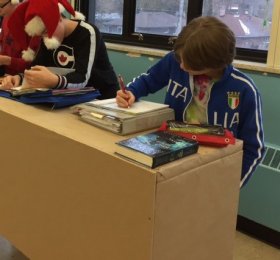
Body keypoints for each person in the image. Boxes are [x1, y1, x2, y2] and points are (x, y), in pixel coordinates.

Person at [116, 16, 265, 187]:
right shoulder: (176, 60)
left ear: (214, 63)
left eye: (188, 63)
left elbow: (255, 149)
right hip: (173, 158)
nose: (181, 66)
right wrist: (132, 92)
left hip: (213, 168)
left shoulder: (244, 90)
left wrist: (231, 188)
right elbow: (148, 80)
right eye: (180, 59)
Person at [2, 0, 118, 99]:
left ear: (59, 19)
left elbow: (82, 78)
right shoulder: (46, 38)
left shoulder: (87, 32)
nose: (45, 37)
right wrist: (20, 77)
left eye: (47, 32)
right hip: (70, 98)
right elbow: (37, 67)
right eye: (41, 34)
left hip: (101, 98)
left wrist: (55, 81)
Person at [0, 0, 38, 76]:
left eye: (0, 5)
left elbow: (34, 65)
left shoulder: (32, 25)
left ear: (14, 1)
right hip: (6, 77)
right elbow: (2, 44)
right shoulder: (5, 17)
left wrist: (7, 60)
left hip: (24, 79)